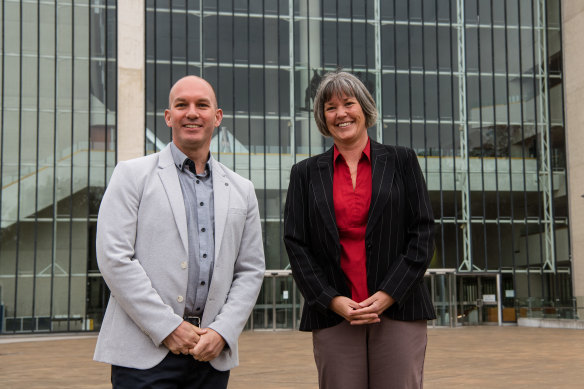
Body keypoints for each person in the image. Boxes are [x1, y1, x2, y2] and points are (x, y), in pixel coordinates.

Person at [94, 75, 265, 388]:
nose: (192, 112)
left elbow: (251, 270)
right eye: (181, 105)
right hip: (143, 354)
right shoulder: (131, 176)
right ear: (168, 116)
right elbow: (113, 257)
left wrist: (224, 331)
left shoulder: (243, 190)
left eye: (202, 105)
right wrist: (167, 327)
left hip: (210, 354)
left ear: (217, 117)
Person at [283, 71, 435, 389]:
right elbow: (296, 245)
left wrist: (388, 294)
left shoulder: (403, 161)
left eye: (348, 103)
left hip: (398, 308)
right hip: (334, 312)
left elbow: (422, 233)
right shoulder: (304, 174)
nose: (341, 113)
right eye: (330, 107)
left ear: (364, 108)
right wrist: (331, 299)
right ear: (323, 118)